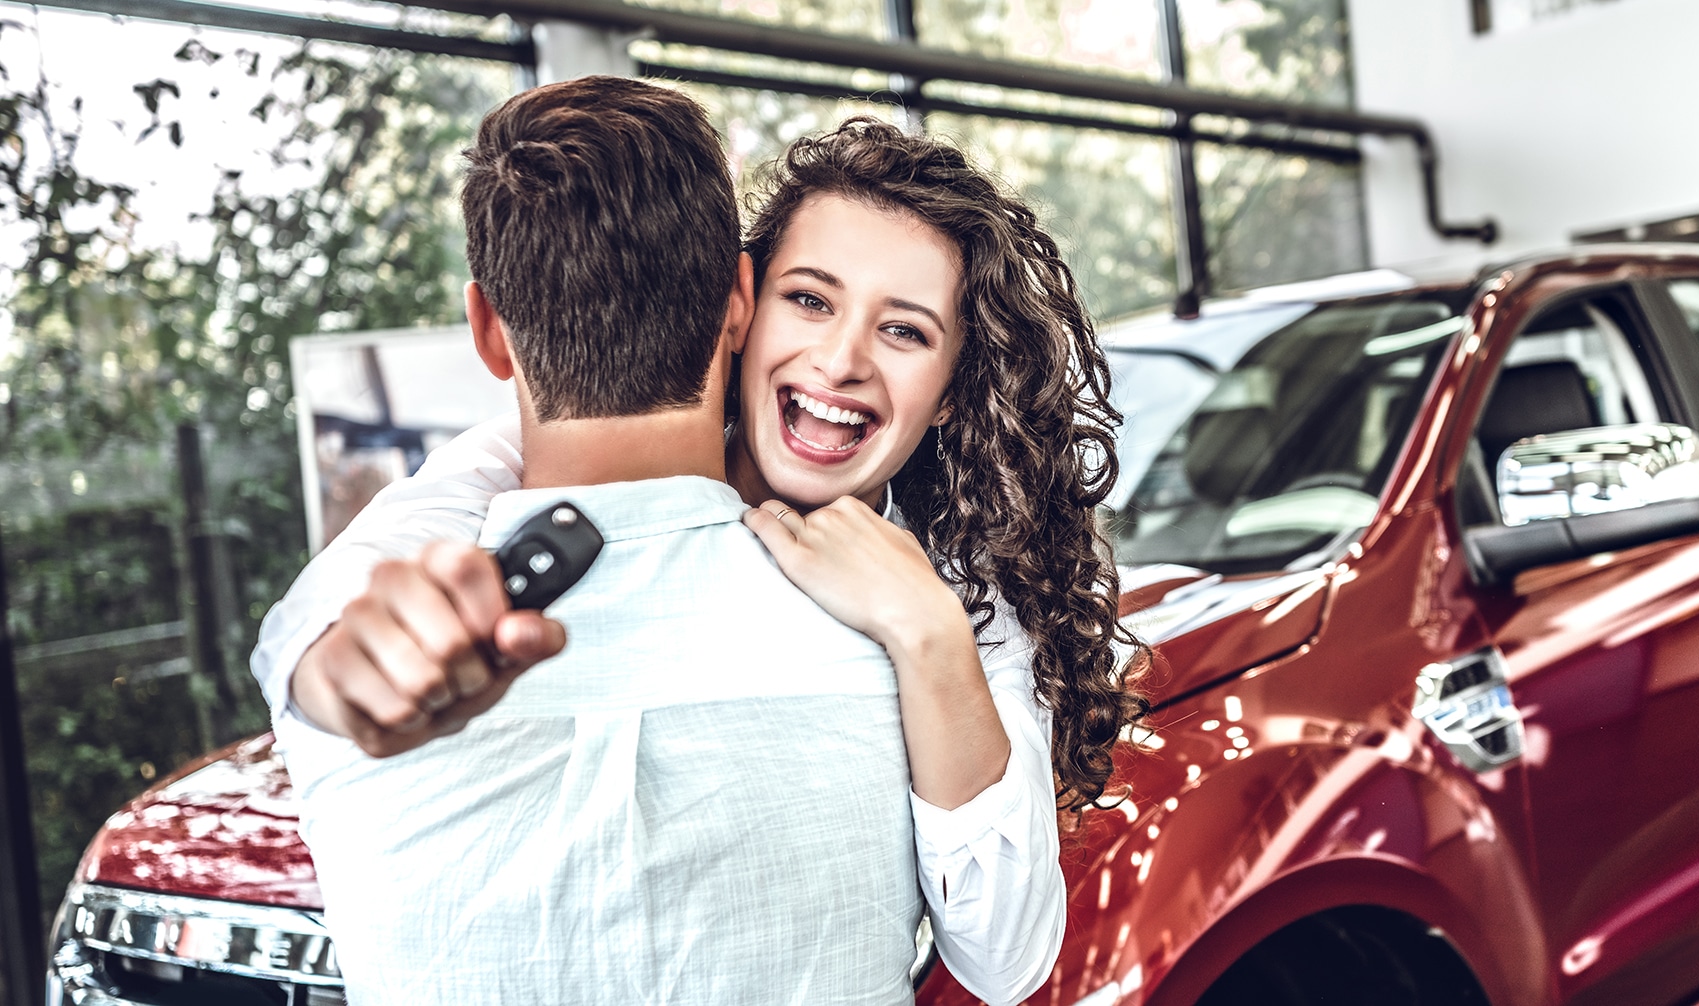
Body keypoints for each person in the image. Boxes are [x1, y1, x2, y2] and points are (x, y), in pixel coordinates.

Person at [253, 114, 1146, 1003]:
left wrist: (931, 638)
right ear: (743, 309)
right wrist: (335, 668)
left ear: (952, 392)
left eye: (904, 331)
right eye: (812, 300)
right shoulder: (503, 487)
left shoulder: (955, 599)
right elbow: (342, 603)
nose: (840, 360)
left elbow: (1008, 956)